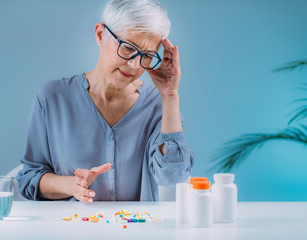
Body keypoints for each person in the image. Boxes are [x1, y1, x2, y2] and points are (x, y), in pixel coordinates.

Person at [17, 0, 195, 202]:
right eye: (128, 48)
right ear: (100, 35)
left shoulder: (159, 107)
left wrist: (170, 95)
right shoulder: (52, 98)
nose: (134, 64)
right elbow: (29, 179)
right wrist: (71, 185)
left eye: (147, 56)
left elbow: (172, 177)